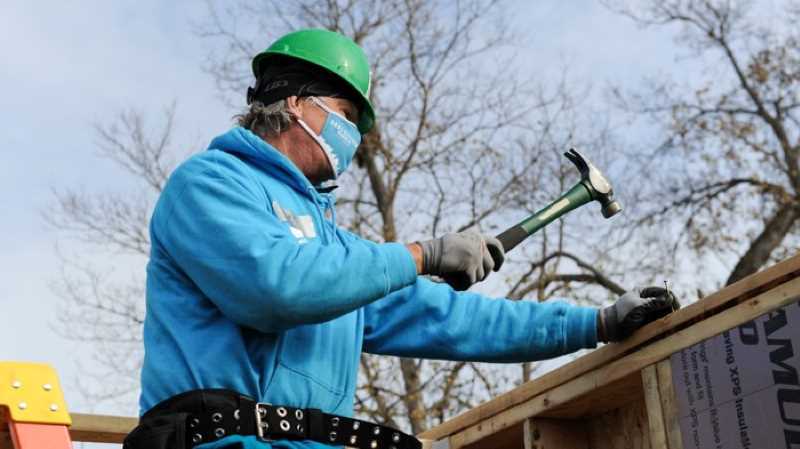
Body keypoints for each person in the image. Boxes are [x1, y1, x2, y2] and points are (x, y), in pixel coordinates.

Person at [125, 28, 679, 449]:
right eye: (345, 115)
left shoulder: (336, 250)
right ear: (294, 101)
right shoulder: (211, 185)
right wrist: (423, 254)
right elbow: (276, 289)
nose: (354, 140)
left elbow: (454, 321)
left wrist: (595, 324)